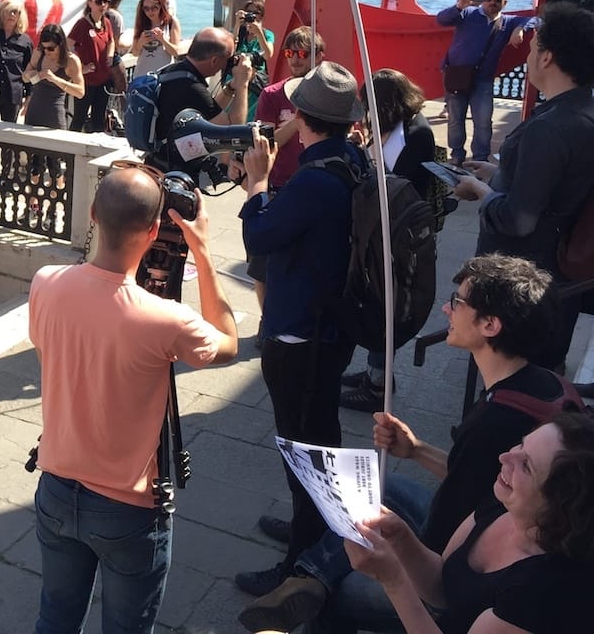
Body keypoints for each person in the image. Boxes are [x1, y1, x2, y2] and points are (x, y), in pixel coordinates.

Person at [239, 253, 569, 633]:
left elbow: (440, 551)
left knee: (336, 598)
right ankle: (313, 566)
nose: (447, 308)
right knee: (383, 485)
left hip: (460, 568)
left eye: (458, 302)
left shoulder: (496, 421)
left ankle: (315, 581)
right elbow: (480, 477)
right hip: (489, 528)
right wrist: (416, 450)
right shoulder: (543, 384)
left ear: (490, 325)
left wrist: (389, 565)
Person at [30, 164, 240, 633]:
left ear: (92, 214)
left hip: (57, 488)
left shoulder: (45, 282)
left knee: (55, 620)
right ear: (153, 231)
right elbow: (228, 342)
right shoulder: (166, 320)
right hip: (128, 507)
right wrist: (203, 254)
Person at [235, 62, 368, 598]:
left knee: (302, 446)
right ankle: (312, 526)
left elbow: (261, 238)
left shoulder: (314, 180)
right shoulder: (351, 160)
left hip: (300, 333)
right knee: (320, 435)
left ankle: (301, 566)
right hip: (331, 328)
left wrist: (258, 181)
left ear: (302, 117)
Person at [345, 413, 594, 634]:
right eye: (521, 443)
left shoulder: (543, 589)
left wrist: (394, 581)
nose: (505, 456)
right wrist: (399, 535)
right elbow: (442, 588)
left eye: (526, 465)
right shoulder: (502, 504)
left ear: (561, 504)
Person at [454, 0, 594, 372]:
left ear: (547, 58)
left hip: (523, 282)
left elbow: (519, 219)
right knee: (543, 381)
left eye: (533, 48)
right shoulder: (581, 113)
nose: (528, 54)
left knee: (514, 386)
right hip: (556, 277)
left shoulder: (550, 127)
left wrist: (481, 192)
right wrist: (496, 172)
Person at [339, 68, 435, 414]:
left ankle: (377, 385)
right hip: (383, 229)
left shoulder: (417, 135)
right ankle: (373, 372)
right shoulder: (397, 126)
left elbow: (399, 183)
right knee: (375, 300)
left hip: (398, 236)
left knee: (385, 305)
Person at [248, 26, 325, 334]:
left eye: (302, 53)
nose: (294, 59)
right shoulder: (271, 94)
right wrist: (297, 121)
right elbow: (267, 144)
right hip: (279, 185)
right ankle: (268, 321)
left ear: (319, 56)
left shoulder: (328, 95)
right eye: (290, 52)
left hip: (314, 185)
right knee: (262, 264)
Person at [435, 0, 531, 166]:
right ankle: (457, 155)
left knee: (484, 122)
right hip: (457, 75)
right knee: (455, 120)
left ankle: (480, 158)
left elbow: (536, 19)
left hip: (483, 81)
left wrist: (520, 28)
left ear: (505, 3)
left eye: (498, 0)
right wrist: (459, 6)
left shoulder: (508, 22)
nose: (493, 3)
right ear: (484, 0)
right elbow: (441, 19)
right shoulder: (469, 13)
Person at [150, 27, 254, 153]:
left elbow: (209, 112)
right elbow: (234, 130)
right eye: (229, 59)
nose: (230, 63)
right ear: (214, 60)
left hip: (157, 156)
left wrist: (231, 87)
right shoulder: (192, 87)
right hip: (173, 166)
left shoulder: (175, 71)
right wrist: (243, 84)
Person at [23, 24, 85, 186]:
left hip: (54, 112)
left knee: (55, 162)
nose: (47, 52)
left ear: (61, 44)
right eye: (44, 48)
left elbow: (80, 92)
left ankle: (56, 199)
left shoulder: (71, 60)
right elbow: (25, 75)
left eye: (51, 48)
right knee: (34, 162)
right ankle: (34, 202)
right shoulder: (39, 53)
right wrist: (31, 75)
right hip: (35, 109)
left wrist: (55, 79)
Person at [67, 0, 117, 133]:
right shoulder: (82, 24)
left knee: (99, 118)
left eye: (106, 2)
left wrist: (110, 55)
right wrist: (80, 67)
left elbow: (111, 40)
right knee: (79, 118)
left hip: (103, 78)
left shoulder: (106, 22)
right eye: (99, 2)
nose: (103, 5)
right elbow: (69, 44)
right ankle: (69, 152)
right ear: (90, 3)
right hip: (87, 81)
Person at [223, 0, 275, 121]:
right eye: (248, 12)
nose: (251, 15)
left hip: (254, 82)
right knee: (230, 113)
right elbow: (229, 50)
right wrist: (237, 25)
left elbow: (268, 54)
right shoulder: (239, 33)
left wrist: (258, 33)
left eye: (254, 12)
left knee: (250, 116)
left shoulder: (267, 35)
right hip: (234, 79)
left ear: (261, 15)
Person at [129, 0, 182, 79]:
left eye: (154, 8)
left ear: (161, 6)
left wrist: (163, 40)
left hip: (164, 76)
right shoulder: (141, 23)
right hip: (142, 76)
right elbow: (135, 52)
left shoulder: (171, 22)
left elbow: (176, 52)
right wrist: (141, 42)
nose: (150, 12)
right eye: (146, 8)